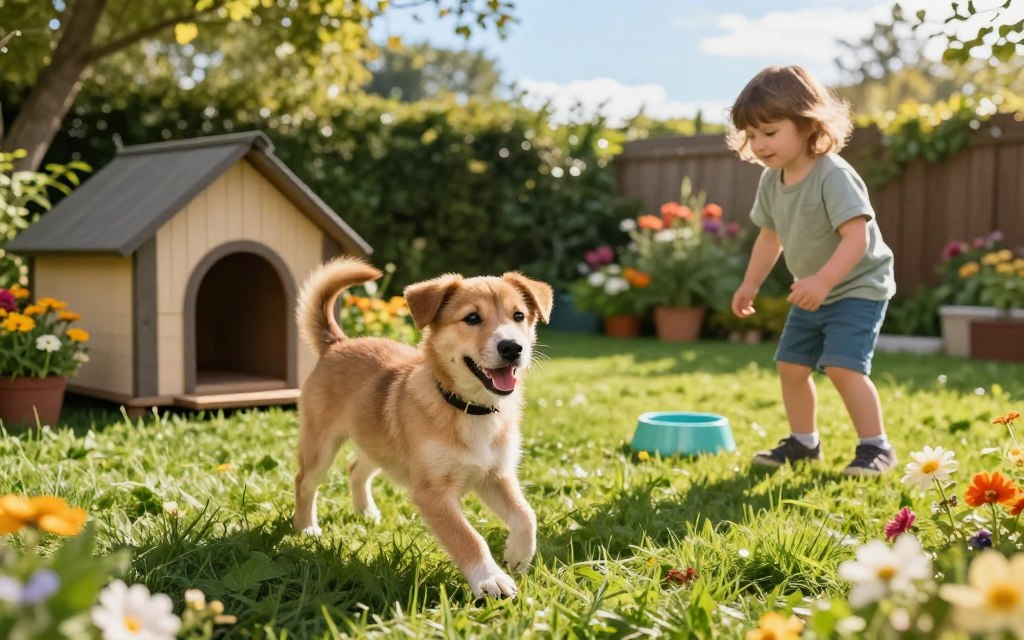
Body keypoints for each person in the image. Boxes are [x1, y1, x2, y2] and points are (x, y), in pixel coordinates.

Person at [726, 65, 897, 476]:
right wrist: (750, 283)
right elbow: (770, 237)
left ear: (806, 124)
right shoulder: (772, 181)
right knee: (791, 365)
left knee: (842, 366)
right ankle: (804, 443)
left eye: (770, 132)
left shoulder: (832, 174)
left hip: (857, 287)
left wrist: (823, 280)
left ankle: (876, 447)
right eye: (752, 135)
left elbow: (856, 237)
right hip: (811, 290)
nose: (760, 144)